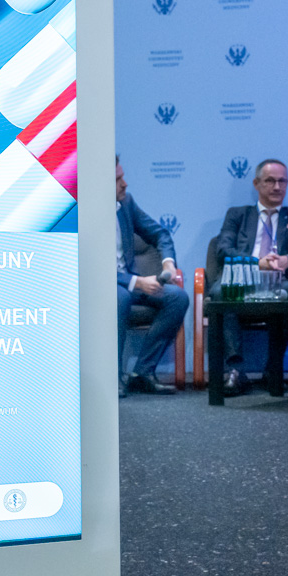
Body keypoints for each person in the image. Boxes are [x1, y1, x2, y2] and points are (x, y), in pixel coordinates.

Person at [210, 159, 288, 396]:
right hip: (242, 279)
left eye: (282, 181)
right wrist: (256, 263)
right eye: (270, 181)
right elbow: (223, 250)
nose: (277, 187)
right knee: (220, 292)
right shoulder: (238, 214)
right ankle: (236, 372)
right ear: (256, 184)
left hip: (278, 282)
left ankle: (273, 369)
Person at [115, 157, 189, 397]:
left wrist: (168, 263)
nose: (125, 184)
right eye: (117, 180)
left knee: (177, 297)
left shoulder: (126, 203)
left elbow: (161, 235)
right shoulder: (80, 211)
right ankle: (113, 376)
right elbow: (87, 264)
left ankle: (142, 373)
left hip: (129, 282)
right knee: (120, 298)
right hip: (102, 285)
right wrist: (137, 282)